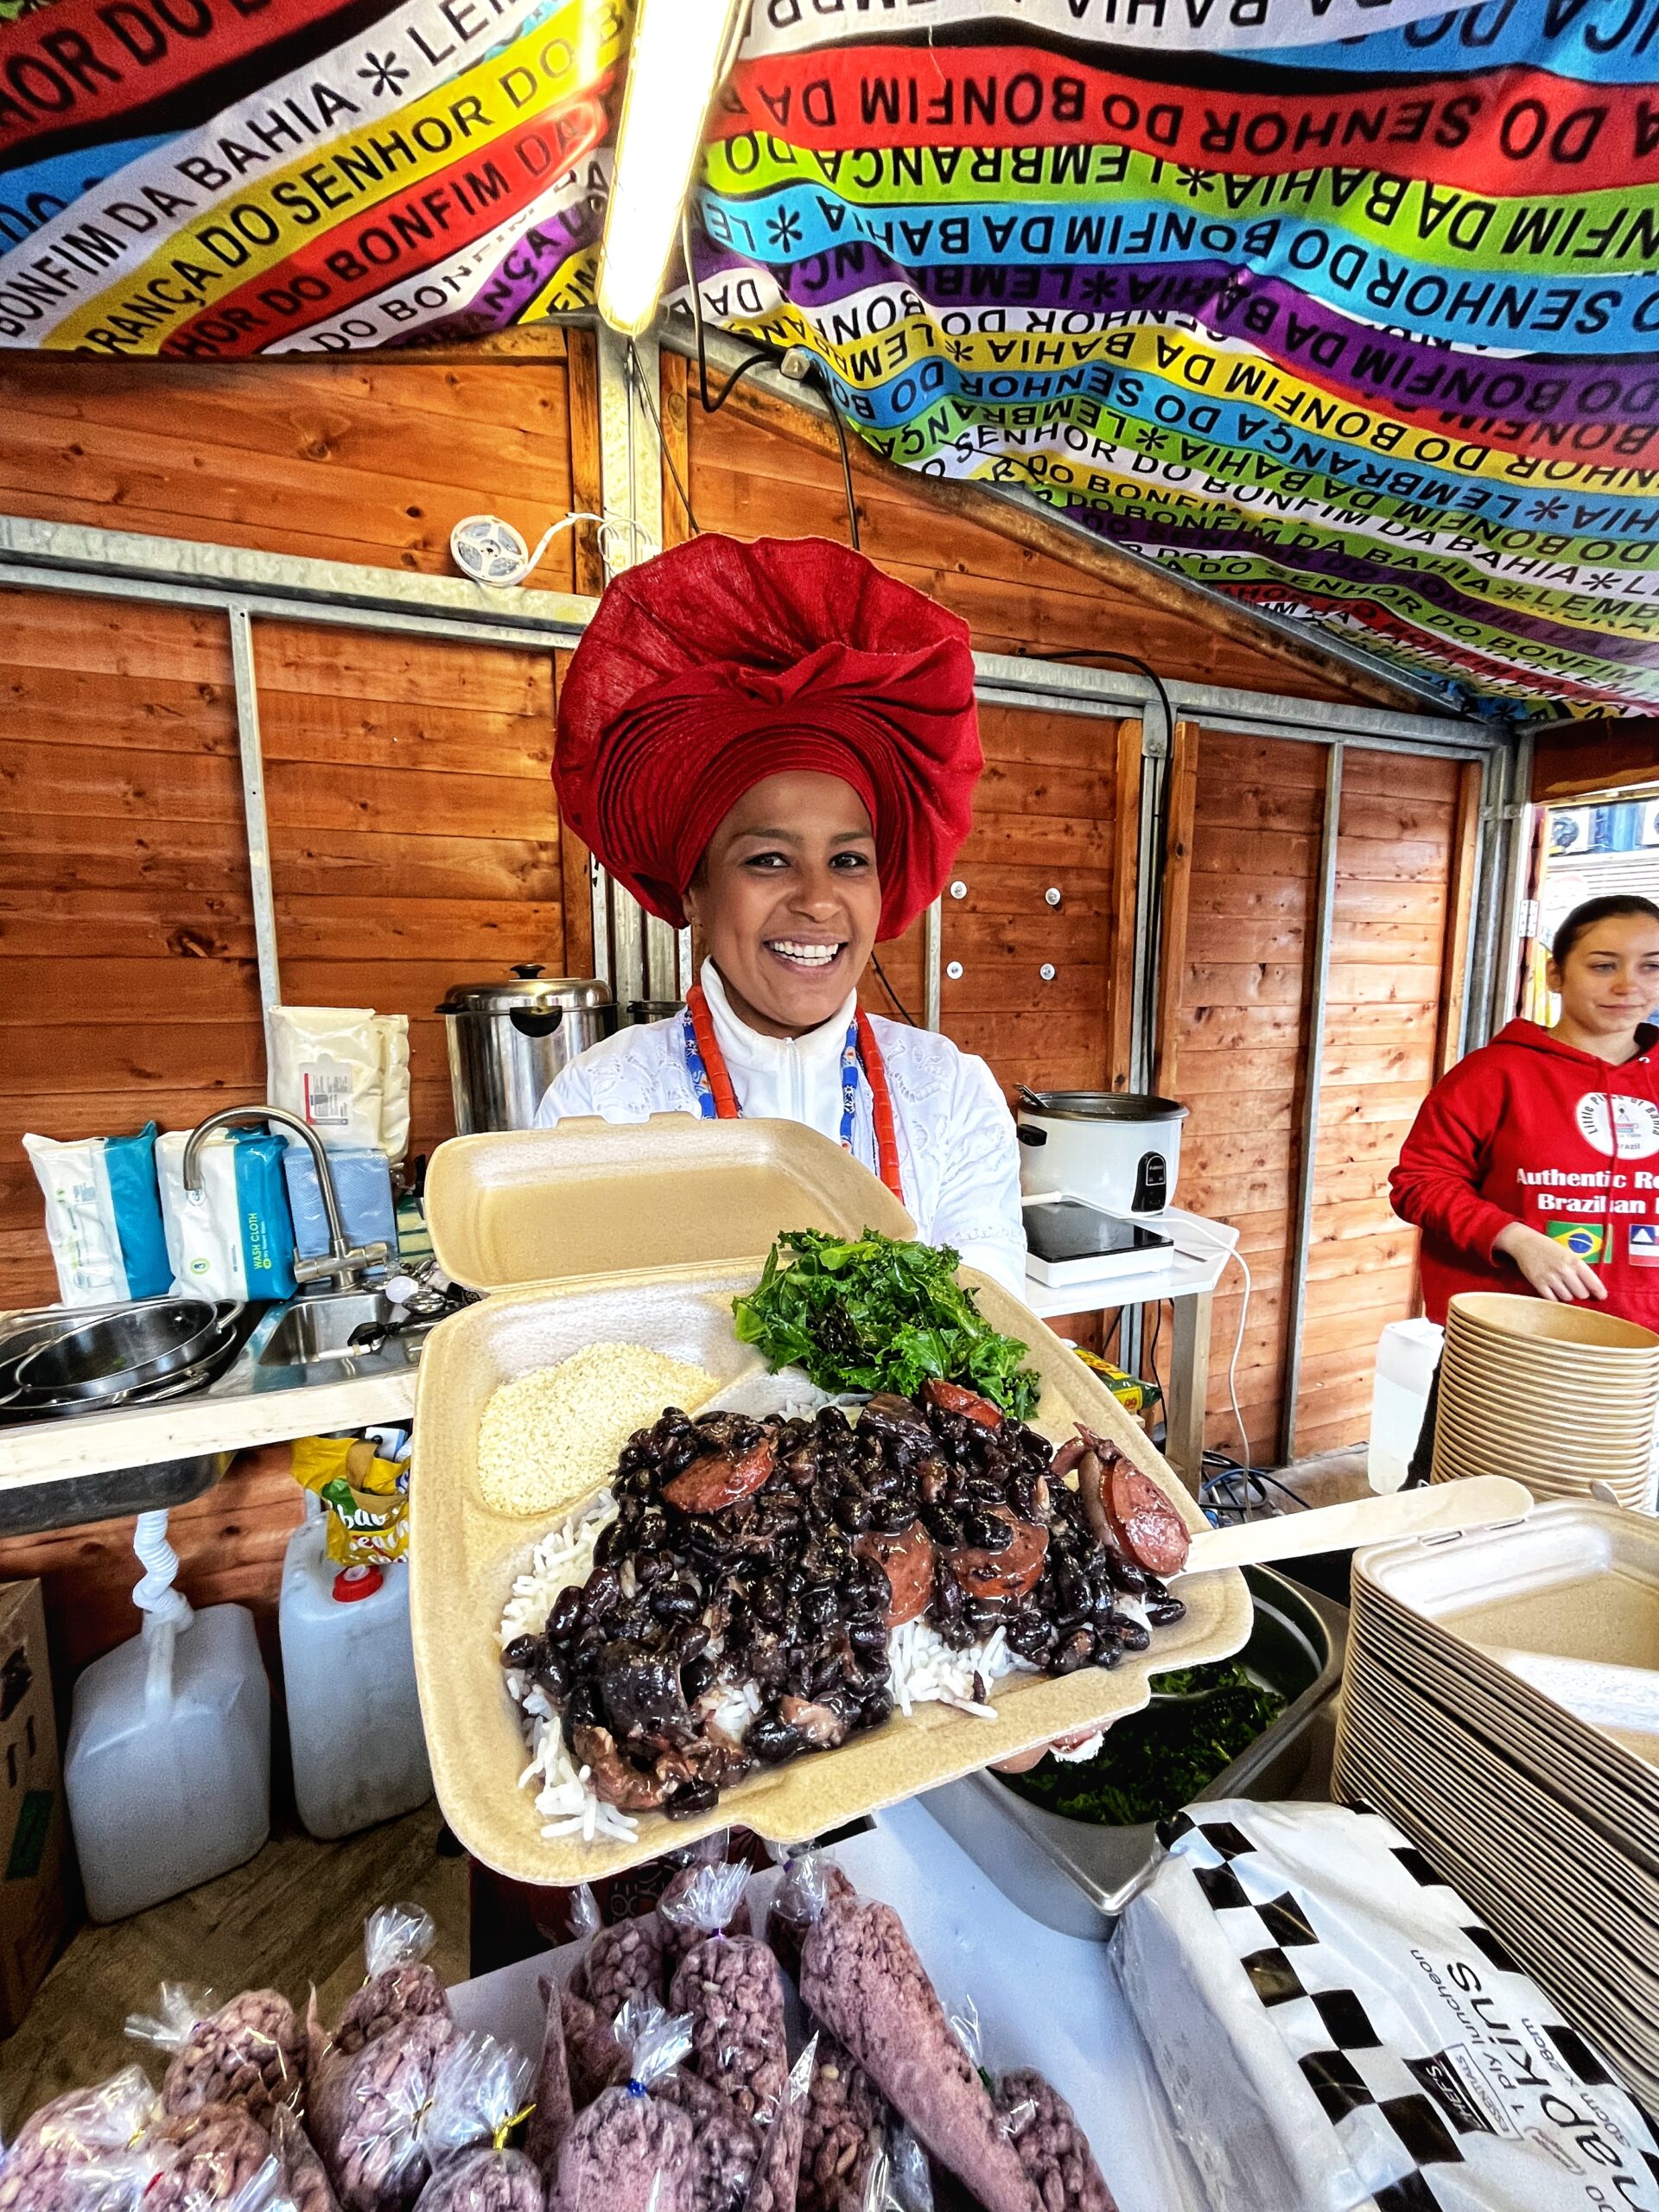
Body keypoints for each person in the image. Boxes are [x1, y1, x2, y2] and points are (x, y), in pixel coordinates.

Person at [537, 530, 1025, 1294]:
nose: (818, 898)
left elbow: (990, 1324)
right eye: (768, 859)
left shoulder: (950, 1094)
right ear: (693, 889)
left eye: (848, 860)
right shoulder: (602, 1104)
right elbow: (574, 1331)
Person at [1389, 893, 1659, 1480]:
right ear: (1557, 973)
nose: (1629, 985)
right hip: (1508, 1342)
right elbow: (1418, 1182)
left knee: (1602, 1525)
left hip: (1637, 1357)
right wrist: (1515, 1237)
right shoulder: (1495, 1074)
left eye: (1651, 965)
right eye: (1603, 964)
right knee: (1460, 1507)